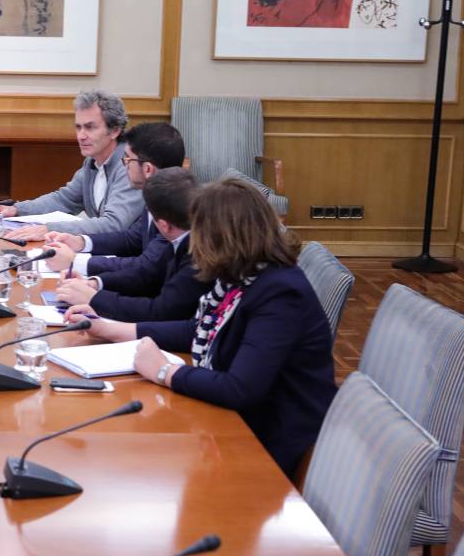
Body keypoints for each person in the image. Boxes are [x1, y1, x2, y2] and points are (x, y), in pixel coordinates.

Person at [65, 179, 337, 477]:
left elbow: (239, 389)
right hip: (239, 421)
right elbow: (198, 329)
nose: (194, 243)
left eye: (200, 233)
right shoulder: (245, 271)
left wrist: (164, 371)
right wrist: (111, 329)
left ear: (222, 238)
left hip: (266, 442)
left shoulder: (281, 294)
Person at [55, 168, 210, 322]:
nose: (125, 166)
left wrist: (95, 299)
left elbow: (160, 311)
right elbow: (145, 275)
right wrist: (94, 284)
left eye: (128, 160)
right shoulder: (180, 235)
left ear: (163, 225)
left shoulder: (198, 255)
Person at [43, 122, 185, 280]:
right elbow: (131, 239)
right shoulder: (157, 196)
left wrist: (74, 262)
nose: (124, 165)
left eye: (128, 159)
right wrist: (80, 241)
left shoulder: (175, 212)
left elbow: (145, 266)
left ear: (147, 169)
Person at [0, 91, 142, 241]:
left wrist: (49, 229)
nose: (81, 136)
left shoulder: (129, 165)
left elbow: (113, 224)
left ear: (115, 131)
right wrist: (16, 210)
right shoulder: (92, 162)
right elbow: (64, 200)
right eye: (78, 127)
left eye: (90, 127)